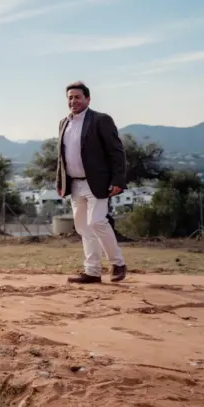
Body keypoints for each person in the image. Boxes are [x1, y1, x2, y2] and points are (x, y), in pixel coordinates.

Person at [56, 81, 128, 284]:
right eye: (70, 97)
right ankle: (93, 271)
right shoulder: (64, 123)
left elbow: (117, 151)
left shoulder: (101, 120)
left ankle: (118, 263)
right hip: (74, 184)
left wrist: (118, 180)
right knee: (83, 227)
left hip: (97, 182)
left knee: (96, 221)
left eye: (77, 97)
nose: (73, 101)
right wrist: (60, 181)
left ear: (88, 99)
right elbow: (61, 156)